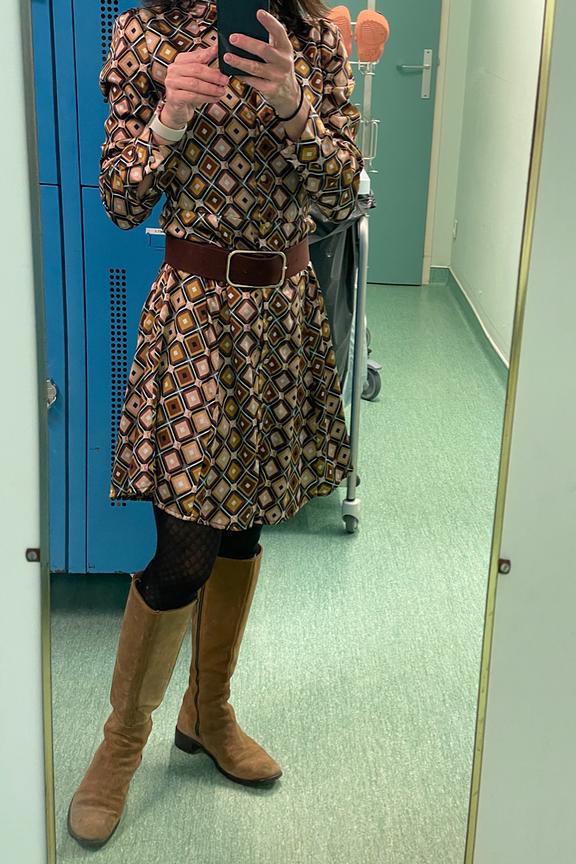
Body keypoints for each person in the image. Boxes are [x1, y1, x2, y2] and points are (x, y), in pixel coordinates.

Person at [67, 0, 363, 848]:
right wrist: (168, 115)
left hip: (283, 315)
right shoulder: (146, 33)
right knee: (184, 549)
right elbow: (121, 201)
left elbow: (343, 191)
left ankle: (208, 711)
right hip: (196, 318)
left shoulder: (312, 36)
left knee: (243, 529)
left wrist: (295, 105)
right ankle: (122, 742)